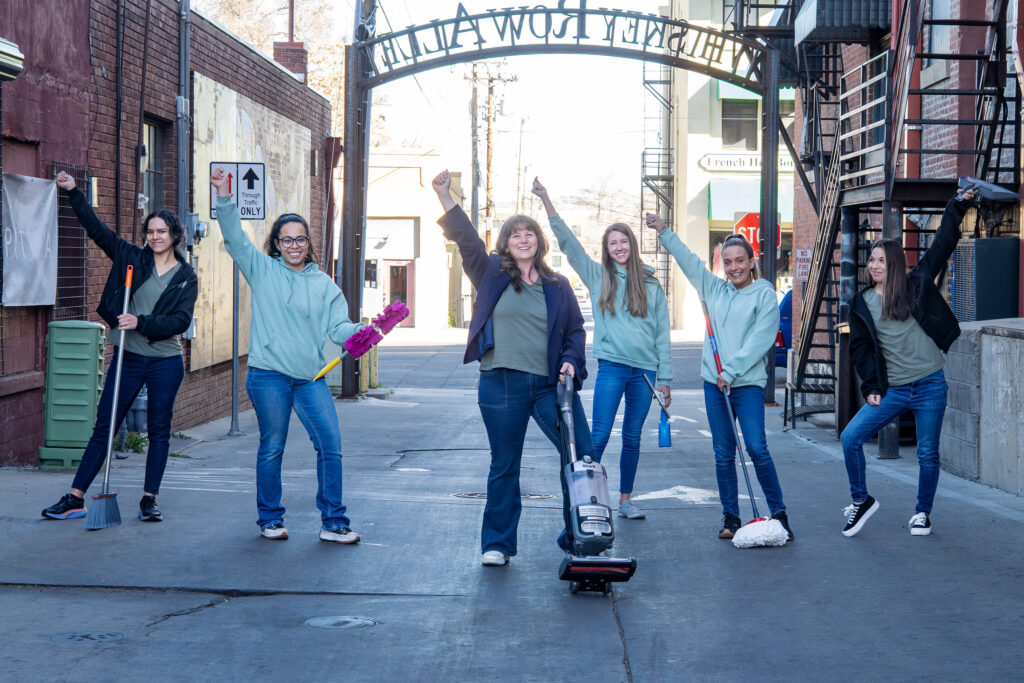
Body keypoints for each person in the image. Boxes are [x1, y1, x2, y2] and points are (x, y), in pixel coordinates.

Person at [431, 169, 593, 567]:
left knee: (581, 456)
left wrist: (570, 361)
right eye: (515, 234)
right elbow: (466, 238)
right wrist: (444, 195)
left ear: (539, 241)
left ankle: (578, 536)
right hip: (501, 383)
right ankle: (498, 544)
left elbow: (575, 331)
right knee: (505, 464)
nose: (523, 239)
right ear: (506, 243)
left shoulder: (557, 285)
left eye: (529, 233)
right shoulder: (490, 273)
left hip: (550, 386)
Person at [210, 166, 364, 544]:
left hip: (310, 377)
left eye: (300, 239)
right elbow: (235, 238)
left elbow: (338, 329)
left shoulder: (324, 285)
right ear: (277, 244)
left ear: (308, 244)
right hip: (268, 374)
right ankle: (270, 519)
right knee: (272, 447)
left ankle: (334, 522)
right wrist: (225, 197)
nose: (294, 245)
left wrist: (362, 332)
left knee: (330, 445)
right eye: (287, 240)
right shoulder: (262, 270)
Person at [42, 172, 198, 523]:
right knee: (105, 426)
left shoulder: (186, 277)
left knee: (159, 430)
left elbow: (179, 321)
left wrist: (140, 321)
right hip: (128, 355)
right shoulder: (131, 257)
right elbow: (97, 230)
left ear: (175, 235)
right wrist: (74, 192)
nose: (155, 237)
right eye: (150, 231)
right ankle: (75, 497)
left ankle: (149, 499)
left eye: (162, 231)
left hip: (165, 361)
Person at [645, 213, 792, 541]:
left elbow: (761, 339)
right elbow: (687, 260)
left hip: (746, 384)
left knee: (757, 447)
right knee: (723, 452)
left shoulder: (764, 293)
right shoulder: (713, 289)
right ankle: (731, 518)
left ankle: (779, 514)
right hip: (715, 385)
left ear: (751, 262)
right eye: (728, 262)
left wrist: (731, 371)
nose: (734, 267)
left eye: (740, 260)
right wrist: (664, 231)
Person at [840, 187, 977, 538]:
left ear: (895, 264)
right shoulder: (861, 303)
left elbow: (942, 244)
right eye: (872, 260)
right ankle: (861, 500)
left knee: (927, 453)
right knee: (850, 438)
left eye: (881, 260)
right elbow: (860, 350)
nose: (874, 265)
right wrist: (870, 387)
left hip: (930, 385)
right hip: (894, 390)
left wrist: (957, 205)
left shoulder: (916, 284)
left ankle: (922, 513)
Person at [531, 178, 671, 520]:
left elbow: (662, 334)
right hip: (612, 367)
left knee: (633, 437)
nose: (619, 247)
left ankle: (625, 501)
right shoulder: (598, 277)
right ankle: (587, 497)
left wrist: (665, 379)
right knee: (599, 435)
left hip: (645, 372)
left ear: (632, 245)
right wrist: (546, 199)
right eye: (613, 244)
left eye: (623, 242)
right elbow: (569, 245)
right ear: (607, 250)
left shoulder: (651, 284)